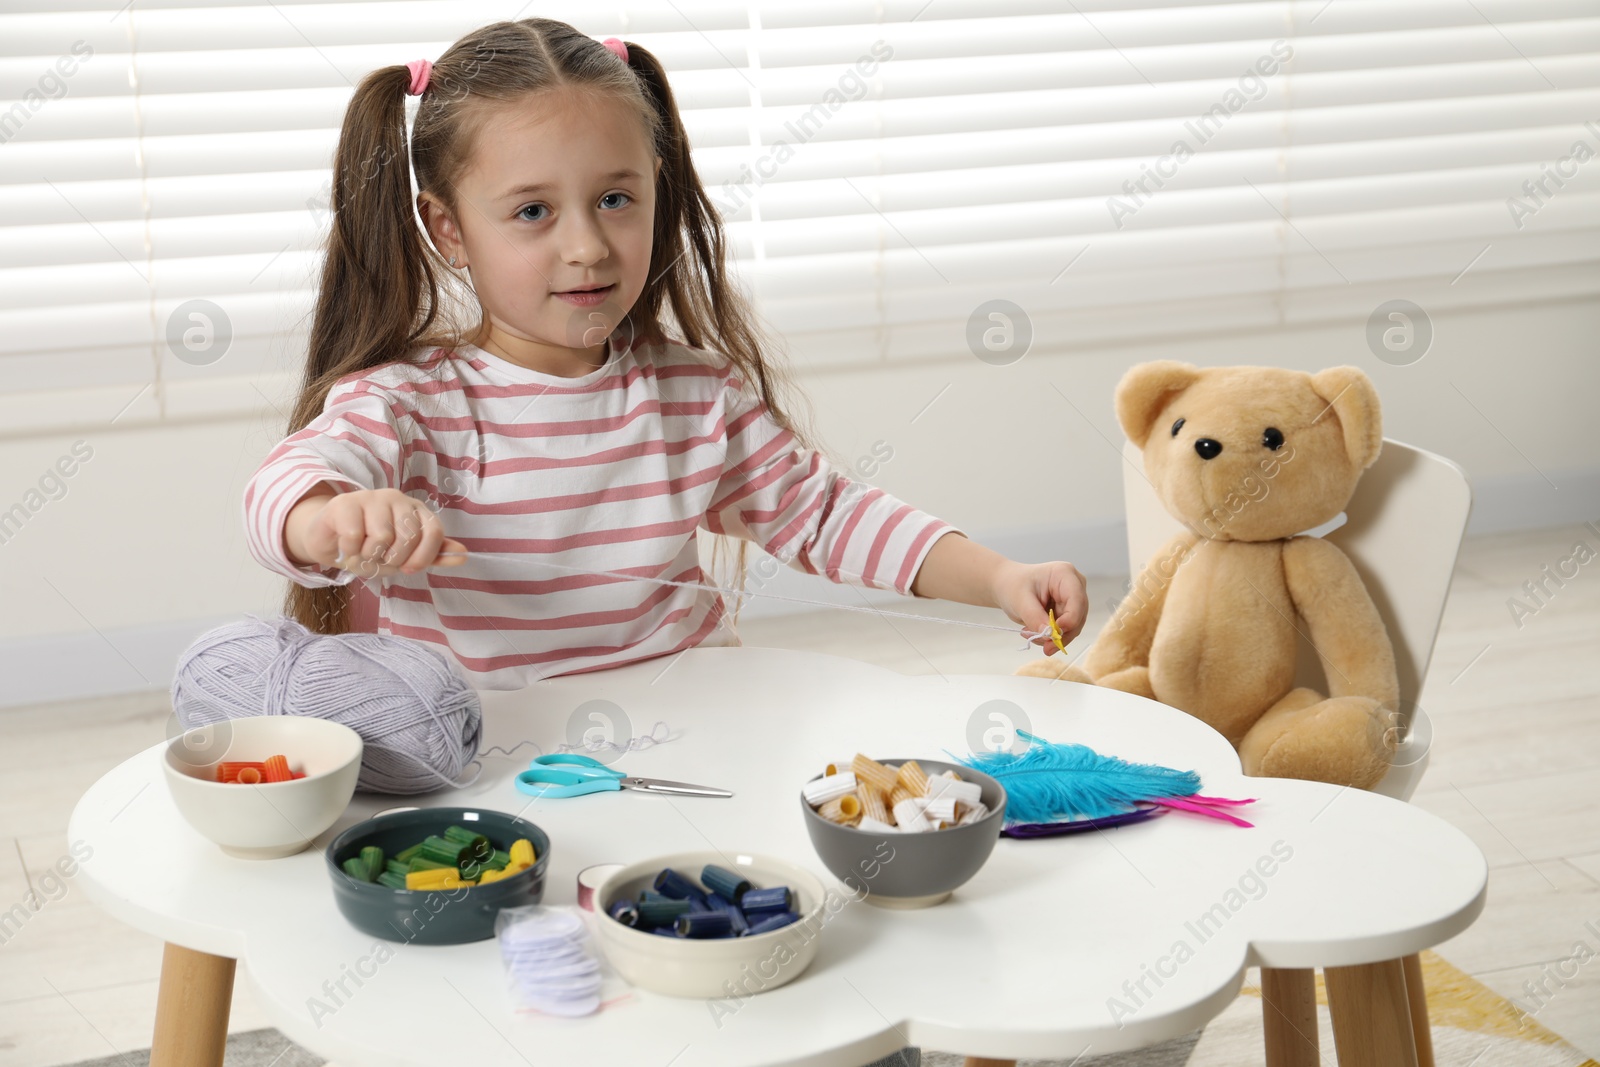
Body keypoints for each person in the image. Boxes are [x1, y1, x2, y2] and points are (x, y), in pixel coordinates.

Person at [243, 18, 1087, 689]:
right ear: (449, 230)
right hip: (489, 756)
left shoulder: (695, 396)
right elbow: (288, 484)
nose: (587, 246)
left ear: (656, 188)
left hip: (694, 726)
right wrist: (329, 517)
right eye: (533, 211)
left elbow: (827, 516)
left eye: (615, 198)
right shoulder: (411, 403)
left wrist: (1002, 577)